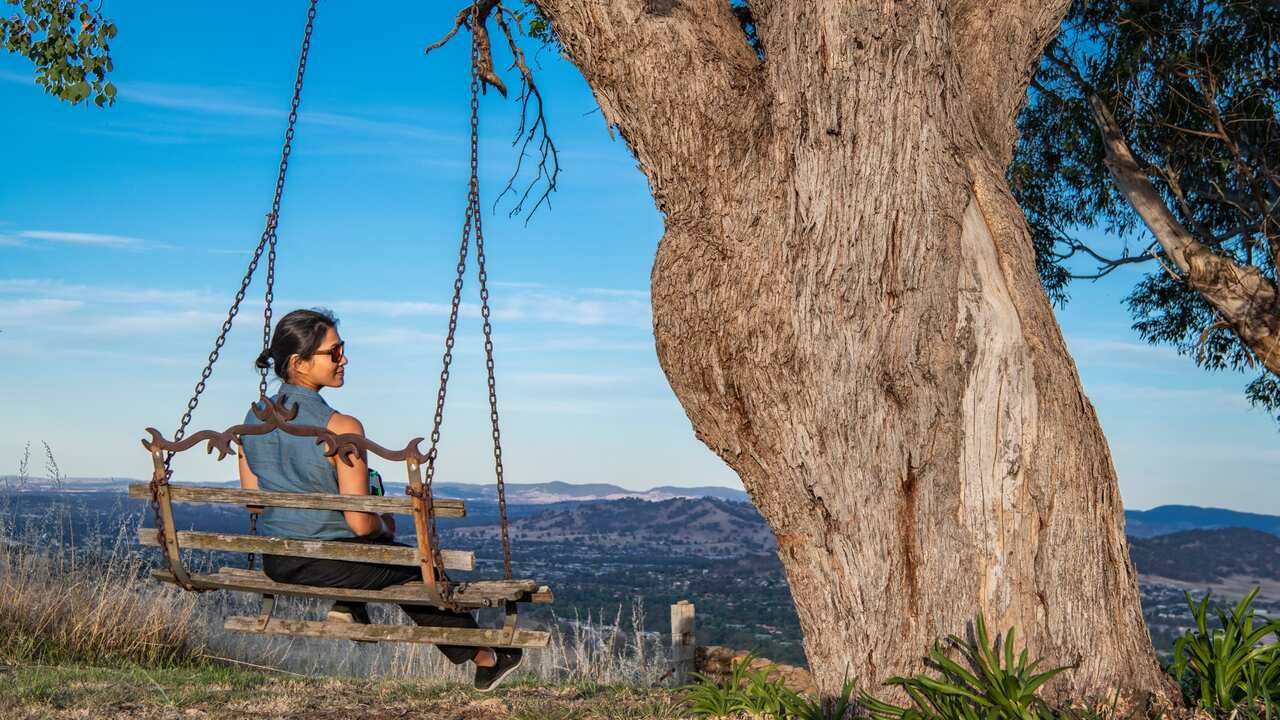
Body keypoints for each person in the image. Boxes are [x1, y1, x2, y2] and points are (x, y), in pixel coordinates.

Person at [236, 308, 522, 691]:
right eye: (334, 352)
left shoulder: (251, 421)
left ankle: (348, 607)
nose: (344, 359)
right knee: (415, 567)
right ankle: (484, 657)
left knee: (389, 563)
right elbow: (360, 524)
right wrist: (383, 524)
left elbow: (254, 504)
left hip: (278, 561)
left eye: (342, 349)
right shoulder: (341, 428)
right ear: (298, 362)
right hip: (329, 561)